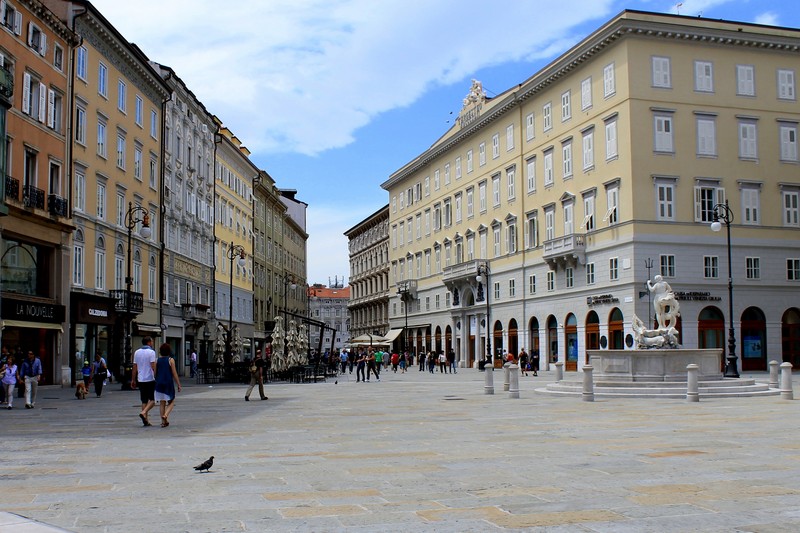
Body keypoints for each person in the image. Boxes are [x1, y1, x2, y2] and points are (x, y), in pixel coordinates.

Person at [132, 336, 157, 427]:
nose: (153, 343)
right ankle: (144, 412)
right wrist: (156, 376)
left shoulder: (137, 352)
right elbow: (153, 365)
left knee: (144, 400)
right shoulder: (151, 352)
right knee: (153, 400)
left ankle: (146, 420)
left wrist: (133, 379)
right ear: (149, 342)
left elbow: (135, 366)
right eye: (152, 341)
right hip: (150, 378)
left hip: (140, 379)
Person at [154, 343, 181, 427]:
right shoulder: (170, 360)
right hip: (168, 383)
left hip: (159, 383)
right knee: (171, 401)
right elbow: (174, 373)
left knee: (162, 402)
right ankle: (165, 415)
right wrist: (178, 384)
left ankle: (163, 422)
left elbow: (155, 373)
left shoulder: (157, 360)